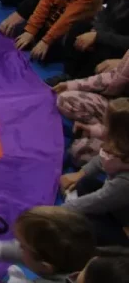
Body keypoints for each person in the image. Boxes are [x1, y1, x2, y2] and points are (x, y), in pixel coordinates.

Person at [61, 98, 129, 246]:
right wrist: (80, 173)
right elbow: (103, 158)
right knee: (85, 182)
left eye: (106, 126)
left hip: (121, 216)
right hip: (118, 206)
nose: (102, 129)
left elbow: (100, 200)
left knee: (84, 222)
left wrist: (59, 211)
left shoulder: (125, 182)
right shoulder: (121, 150)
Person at [55, 49, 129, 164]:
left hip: (123, 130)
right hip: (117, 112)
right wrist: (72, 85)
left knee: (79, 152)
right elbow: (113, 76)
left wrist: (96, 132)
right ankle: (101, 132)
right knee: (65, 100)